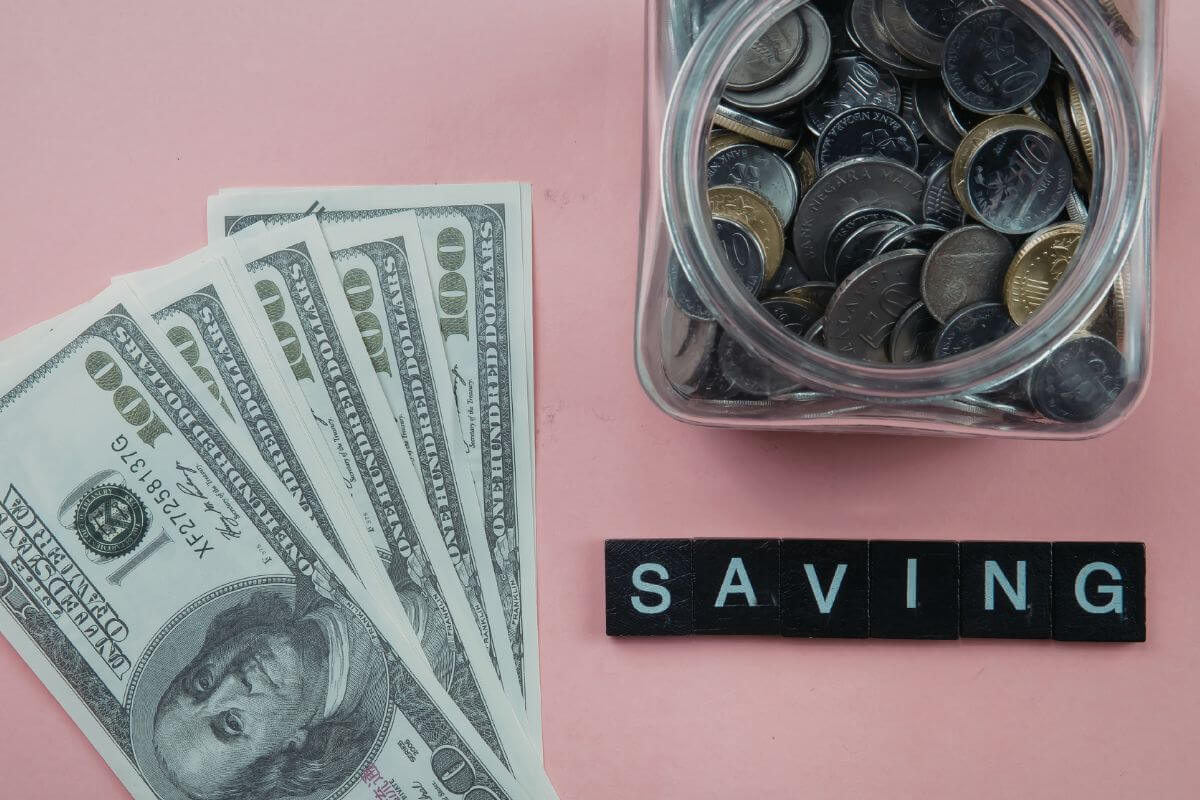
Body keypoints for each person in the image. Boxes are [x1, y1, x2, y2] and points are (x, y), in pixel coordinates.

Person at [151, 581, 387, 800]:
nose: (231, 681)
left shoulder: (306, 576)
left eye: (202, 682)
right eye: (233, 723)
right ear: (290, 747)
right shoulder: (390, 696)